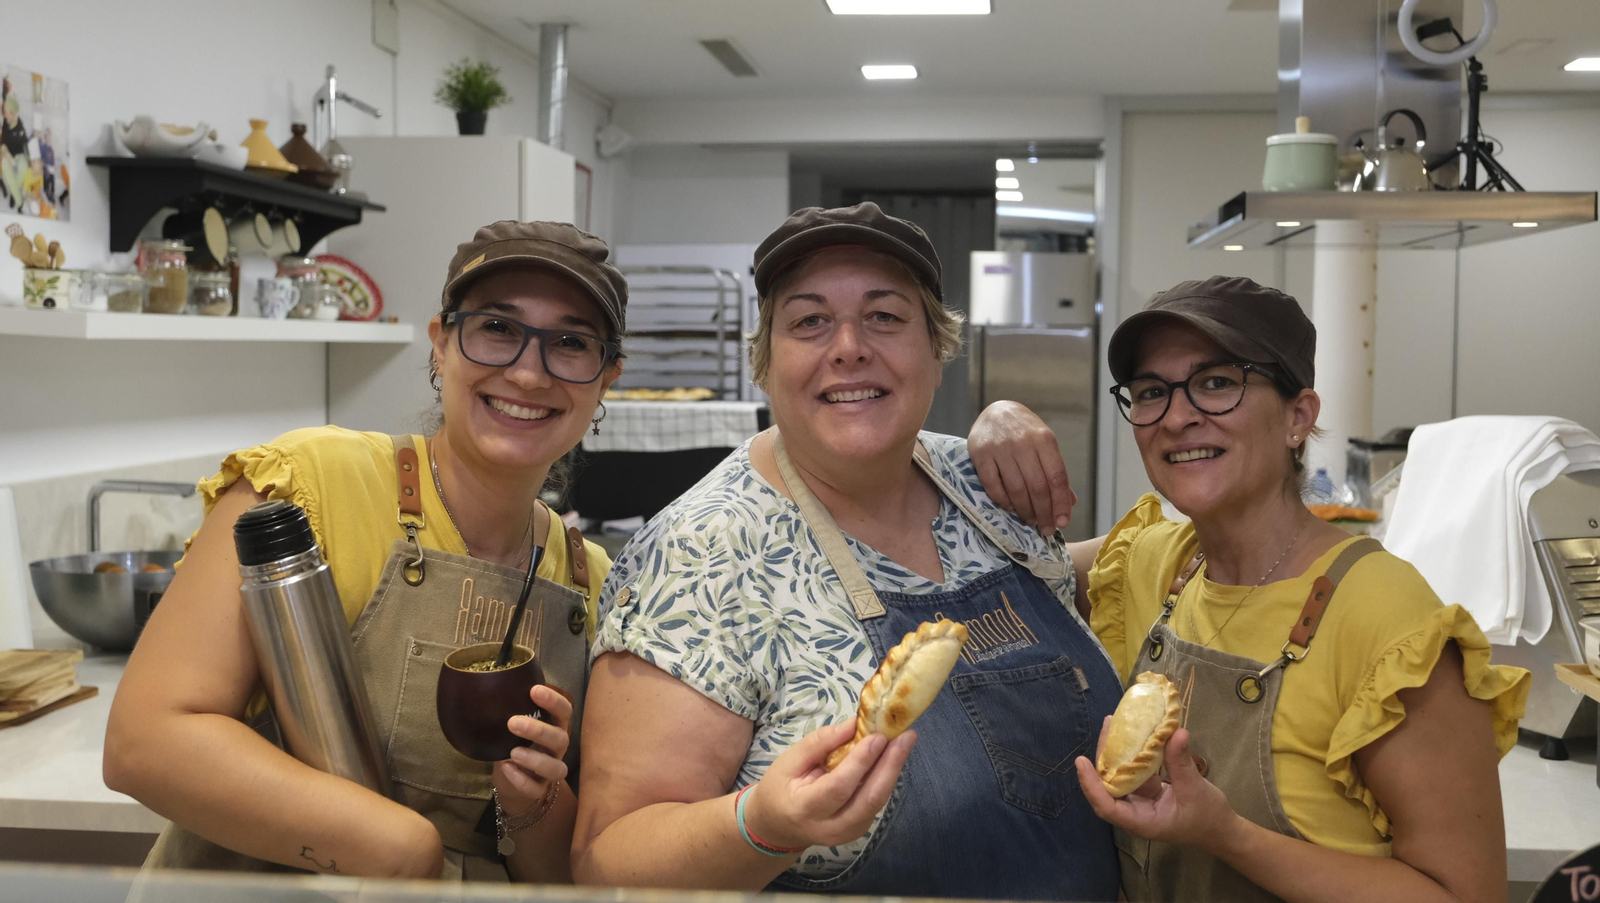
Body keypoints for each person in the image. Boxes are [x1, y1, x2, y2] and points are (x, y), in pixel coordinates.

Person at [572, 203, 1121, 901]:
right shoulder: (699, 554)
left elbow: (1069, 576)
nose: (849, 346)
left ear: (938, 350)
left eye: (886, 316)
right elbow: (605, 860)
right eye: (809, 321)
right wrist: (761, 826)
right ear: (766, 365)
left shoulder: (985, 485)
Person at [966, 276, 1529, 903]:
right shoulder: (1153, 562)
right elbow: (979, 576)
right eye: (1152, 392)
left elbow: (1465, 894)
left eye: (1216, 383)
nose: (1178, 417)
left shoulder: (1388, 620)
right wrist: (995, 419)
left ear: (1298, 416)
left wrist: (1229, 834)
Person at [104, 221, 629, 882]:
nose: (528, 371)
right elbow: (145, 741)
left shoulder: (594, 588)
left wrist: (533, 802)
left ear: (606, 379)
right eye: (497, 328)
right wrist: (396, 848)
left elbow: (559, 877)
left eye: (571, 343)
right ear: (441, 346)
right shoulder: (310, 484)